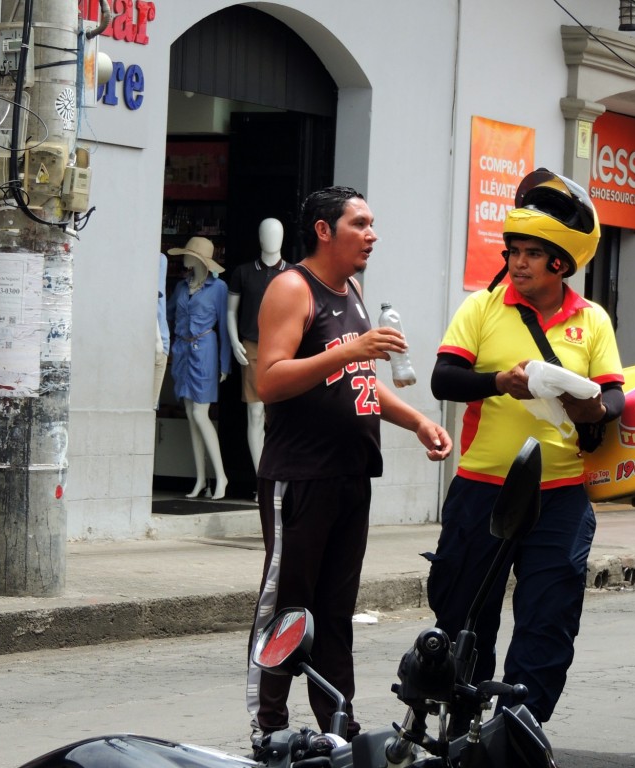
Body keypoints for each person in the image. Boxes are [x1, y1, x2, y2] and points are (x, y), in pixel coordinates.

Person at [247, 186, 453, 752]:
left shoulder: (354, 291)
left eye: (371, 223)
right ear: (323, 230)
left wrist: (415, 421)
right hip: (301, 476)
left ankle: (338, 723)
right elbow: (269, 380)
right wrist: (351, 348)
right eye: (359, 223)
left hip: (350, 476)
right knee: (289, 606)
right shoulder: (292, 288)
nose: (372, 234)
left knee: (336, 611)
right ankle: (268, 727)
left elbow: (361, 383)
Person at [427, 168, 624, 727]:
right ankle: (461, 732)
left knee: (547, 623)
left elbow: (614, 396)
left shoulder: (593, 321)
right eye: (513, 251)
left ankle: (519, 731)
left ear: (560, 262)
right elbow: (444, 379)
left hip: (559, 498)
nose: (517, 262)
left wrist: (593, 408)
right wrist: (498, 383)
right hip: (482, 494)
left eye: (532, 253)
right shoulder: (481, 308)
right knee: (465, 619)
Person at [166, 236, 231, 500]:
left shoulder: (219, 288)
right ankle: (201, 479)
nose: (184, 258)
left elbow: (225, 328)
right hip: (183, 351)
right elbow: (169, 312)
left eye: (189, 254)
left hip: (205, 350)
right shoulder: (182, 287)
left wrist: (225, 363)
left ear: (200, 259)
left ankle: (222, 477)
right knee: (191, 415)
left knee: (201, 415)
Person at [226, 217, 289, 471]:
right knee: (255, 413)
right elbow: (231, 311)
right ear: (260, 238)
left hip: (284, 351)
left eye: (277, 234)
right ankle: (261, 477)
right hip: (251, 346)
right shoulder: (243, 272)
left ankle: (279, 475)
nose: (272, 239)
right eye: (267, 233)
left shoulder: (294, 274)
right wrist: (233, 341)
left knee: (279, 414)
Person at [153, 251, 170, 411]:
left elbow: (156, 299)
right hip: (158, 340)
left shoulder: (159, 259)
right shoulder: (158, 259)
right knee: (150, 406)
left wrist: (159, 341)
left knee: (150, 406)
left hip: (158, 340)